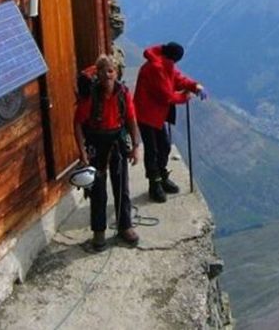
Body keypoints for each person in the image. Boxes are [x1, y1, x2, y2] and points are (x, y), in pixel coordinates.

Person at [74, 54, 142, 251]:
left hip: (117, 142)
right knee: (97, 190)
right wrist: (82, 153)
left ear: (117, 72)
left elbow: (131, 119)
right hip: (97, 143)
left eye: (111, 70)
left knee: (122, 187)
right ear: (98, 73)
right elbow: (78, 123)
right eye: (103, 70)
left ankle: (125, 226)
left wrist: (135, 147)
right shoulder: (90, 97)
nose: (107, 74)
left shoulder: (123, 93)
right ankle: (99, 233)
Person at [134, 42, 204, 203]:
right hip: (146, 114)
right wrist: (184, 97)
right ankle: (155, 184)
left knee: (164, 145)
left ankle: (162, 176)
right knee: (152, 150)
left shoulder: (163, 64)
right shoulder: (156, 68)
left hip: (156, 114)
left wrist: (194, 86)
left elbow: (177, 78)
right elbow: (166, 95)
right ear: (174, 58)